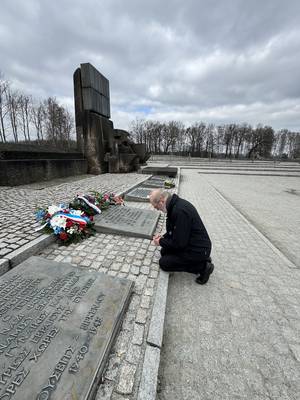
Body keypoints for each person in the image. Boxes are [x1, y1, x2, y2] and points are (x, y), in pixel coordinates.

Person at [149, 189, 214, 284]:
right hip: (192, 243)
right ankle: (202, 260)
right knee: (164, 251)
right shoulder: (174, 206)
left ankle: (203, 267)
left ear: (162, 201)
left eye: (156, 207)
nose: (158, 210)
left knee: (164, 263)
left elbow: (179, 244)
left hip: (198, 249)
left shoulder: (179, 212)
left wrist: (160, 242)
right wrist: (162, 237)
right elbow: (174, 232)